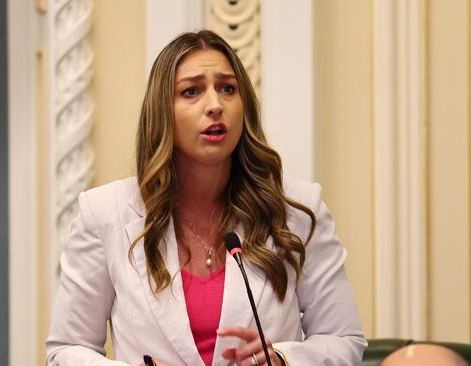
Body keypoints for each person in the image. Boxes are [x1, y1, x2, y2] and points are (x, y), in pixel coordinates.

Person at [46, 30, 366, 366]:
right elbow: (67, 349)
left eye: (227, 88)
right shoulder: (105, 213)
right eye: (191, 91)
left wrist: (285, 360)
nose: (215, 105)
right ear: (163, 112)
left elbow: (344, 340)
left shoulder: (296, 208)